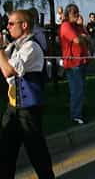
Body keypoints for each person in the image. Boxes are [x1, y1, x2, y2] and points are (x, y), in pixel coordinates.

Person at [0, 10, 55, 178]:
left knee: (37, 154)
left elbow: (9, 71)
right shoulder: (14, 46)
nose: (7, 27)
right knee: (5, 153)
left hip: (29, 110)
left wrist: (0, 48)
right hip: (13, 107)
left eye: (11, 23)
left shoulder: (31, 47)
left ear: (24, 25)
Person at [59, 4, 89, 124]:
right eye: (74, 13)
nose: (77, 15)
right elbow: (77, 40)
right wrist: (82, 37)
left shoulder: (77, 26)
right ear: (67, 14)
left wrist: (82, 33)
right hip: (72, 63)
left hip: (82, 61)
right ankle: (76, 115)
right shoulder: (66, 26)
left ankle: (79, 110)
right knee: (76, 89)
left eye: (77, 12)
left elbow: (88, 37)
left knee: (81, 89)